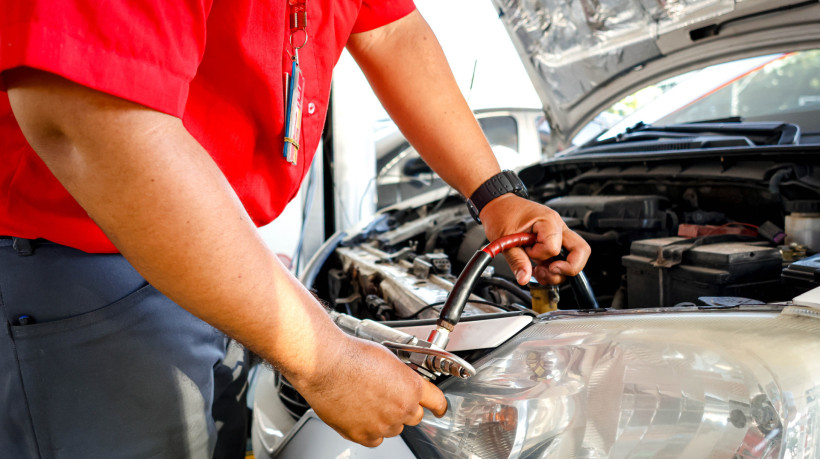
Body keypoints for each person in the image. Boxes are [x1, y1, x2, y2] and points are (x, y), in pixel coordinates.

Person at [0, 0, 591, 457]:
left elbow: (388, 28)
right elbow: (85, 120)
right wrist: (325, 360)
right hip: (79, 265)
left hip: (201, 248)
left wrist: (495, 195)